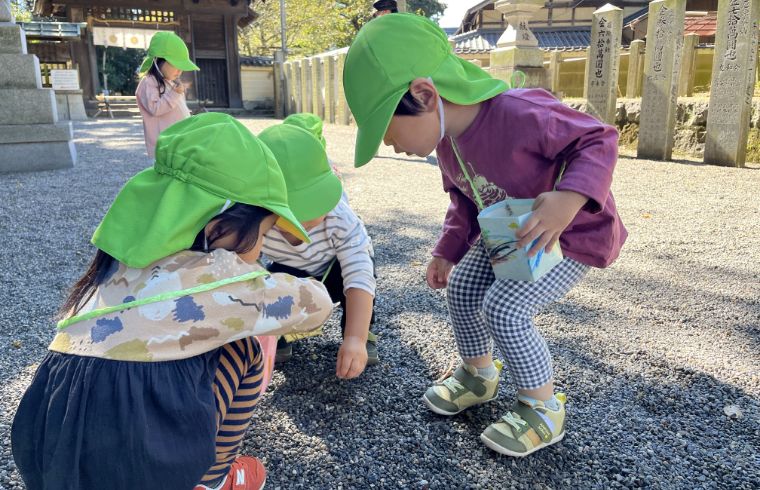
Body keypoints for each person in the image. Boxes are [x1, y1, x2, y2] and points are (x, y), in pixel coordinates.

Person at [342, 14, 627, 457]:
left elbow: (598, 139)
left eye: (386, 127)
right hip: (510, 232)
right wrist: (447, 251)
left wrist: (568, 200)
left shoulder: (519, 112)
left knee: (506, 307)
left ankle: (542, 407)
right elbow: (465, 200)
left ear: (423, 94)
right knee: (463, 288)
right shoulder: (447, 143)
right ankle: (478, 375)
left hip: (567, 236)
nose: (388, 143)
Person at [11, 113, 334, 490]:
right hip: (144, 467)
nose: (261, 250)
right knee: (244, 347)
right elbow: (318, 304)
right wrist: (257, 284)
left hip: (46, 450)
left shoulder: (118, 263)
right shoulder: (218, 276)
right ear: (218, 229)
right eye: (262, 235)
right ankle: (212, 480)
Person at [258, 122, 379, 379]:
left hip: (333, 268)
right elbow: (243, 271)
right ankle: (276, 334)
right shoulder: (256, 222)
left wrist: (354, 338)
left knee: (358, 285)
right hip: (290, 271)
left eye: (315, 203)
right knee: (267, 285)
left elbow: (359, 275)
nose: (306, 220)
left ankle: (361, 332)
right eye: (292, 213)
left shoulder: (340, 218)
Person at [135, 31, 199, 157]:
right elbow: (155, 109)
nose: (180, 71)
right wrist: (175, 93)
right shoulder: (148, 82)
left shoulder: (168, 82)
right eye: (176, 65)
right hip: (165, 146)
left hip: (179, 140)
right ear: (158, 61)